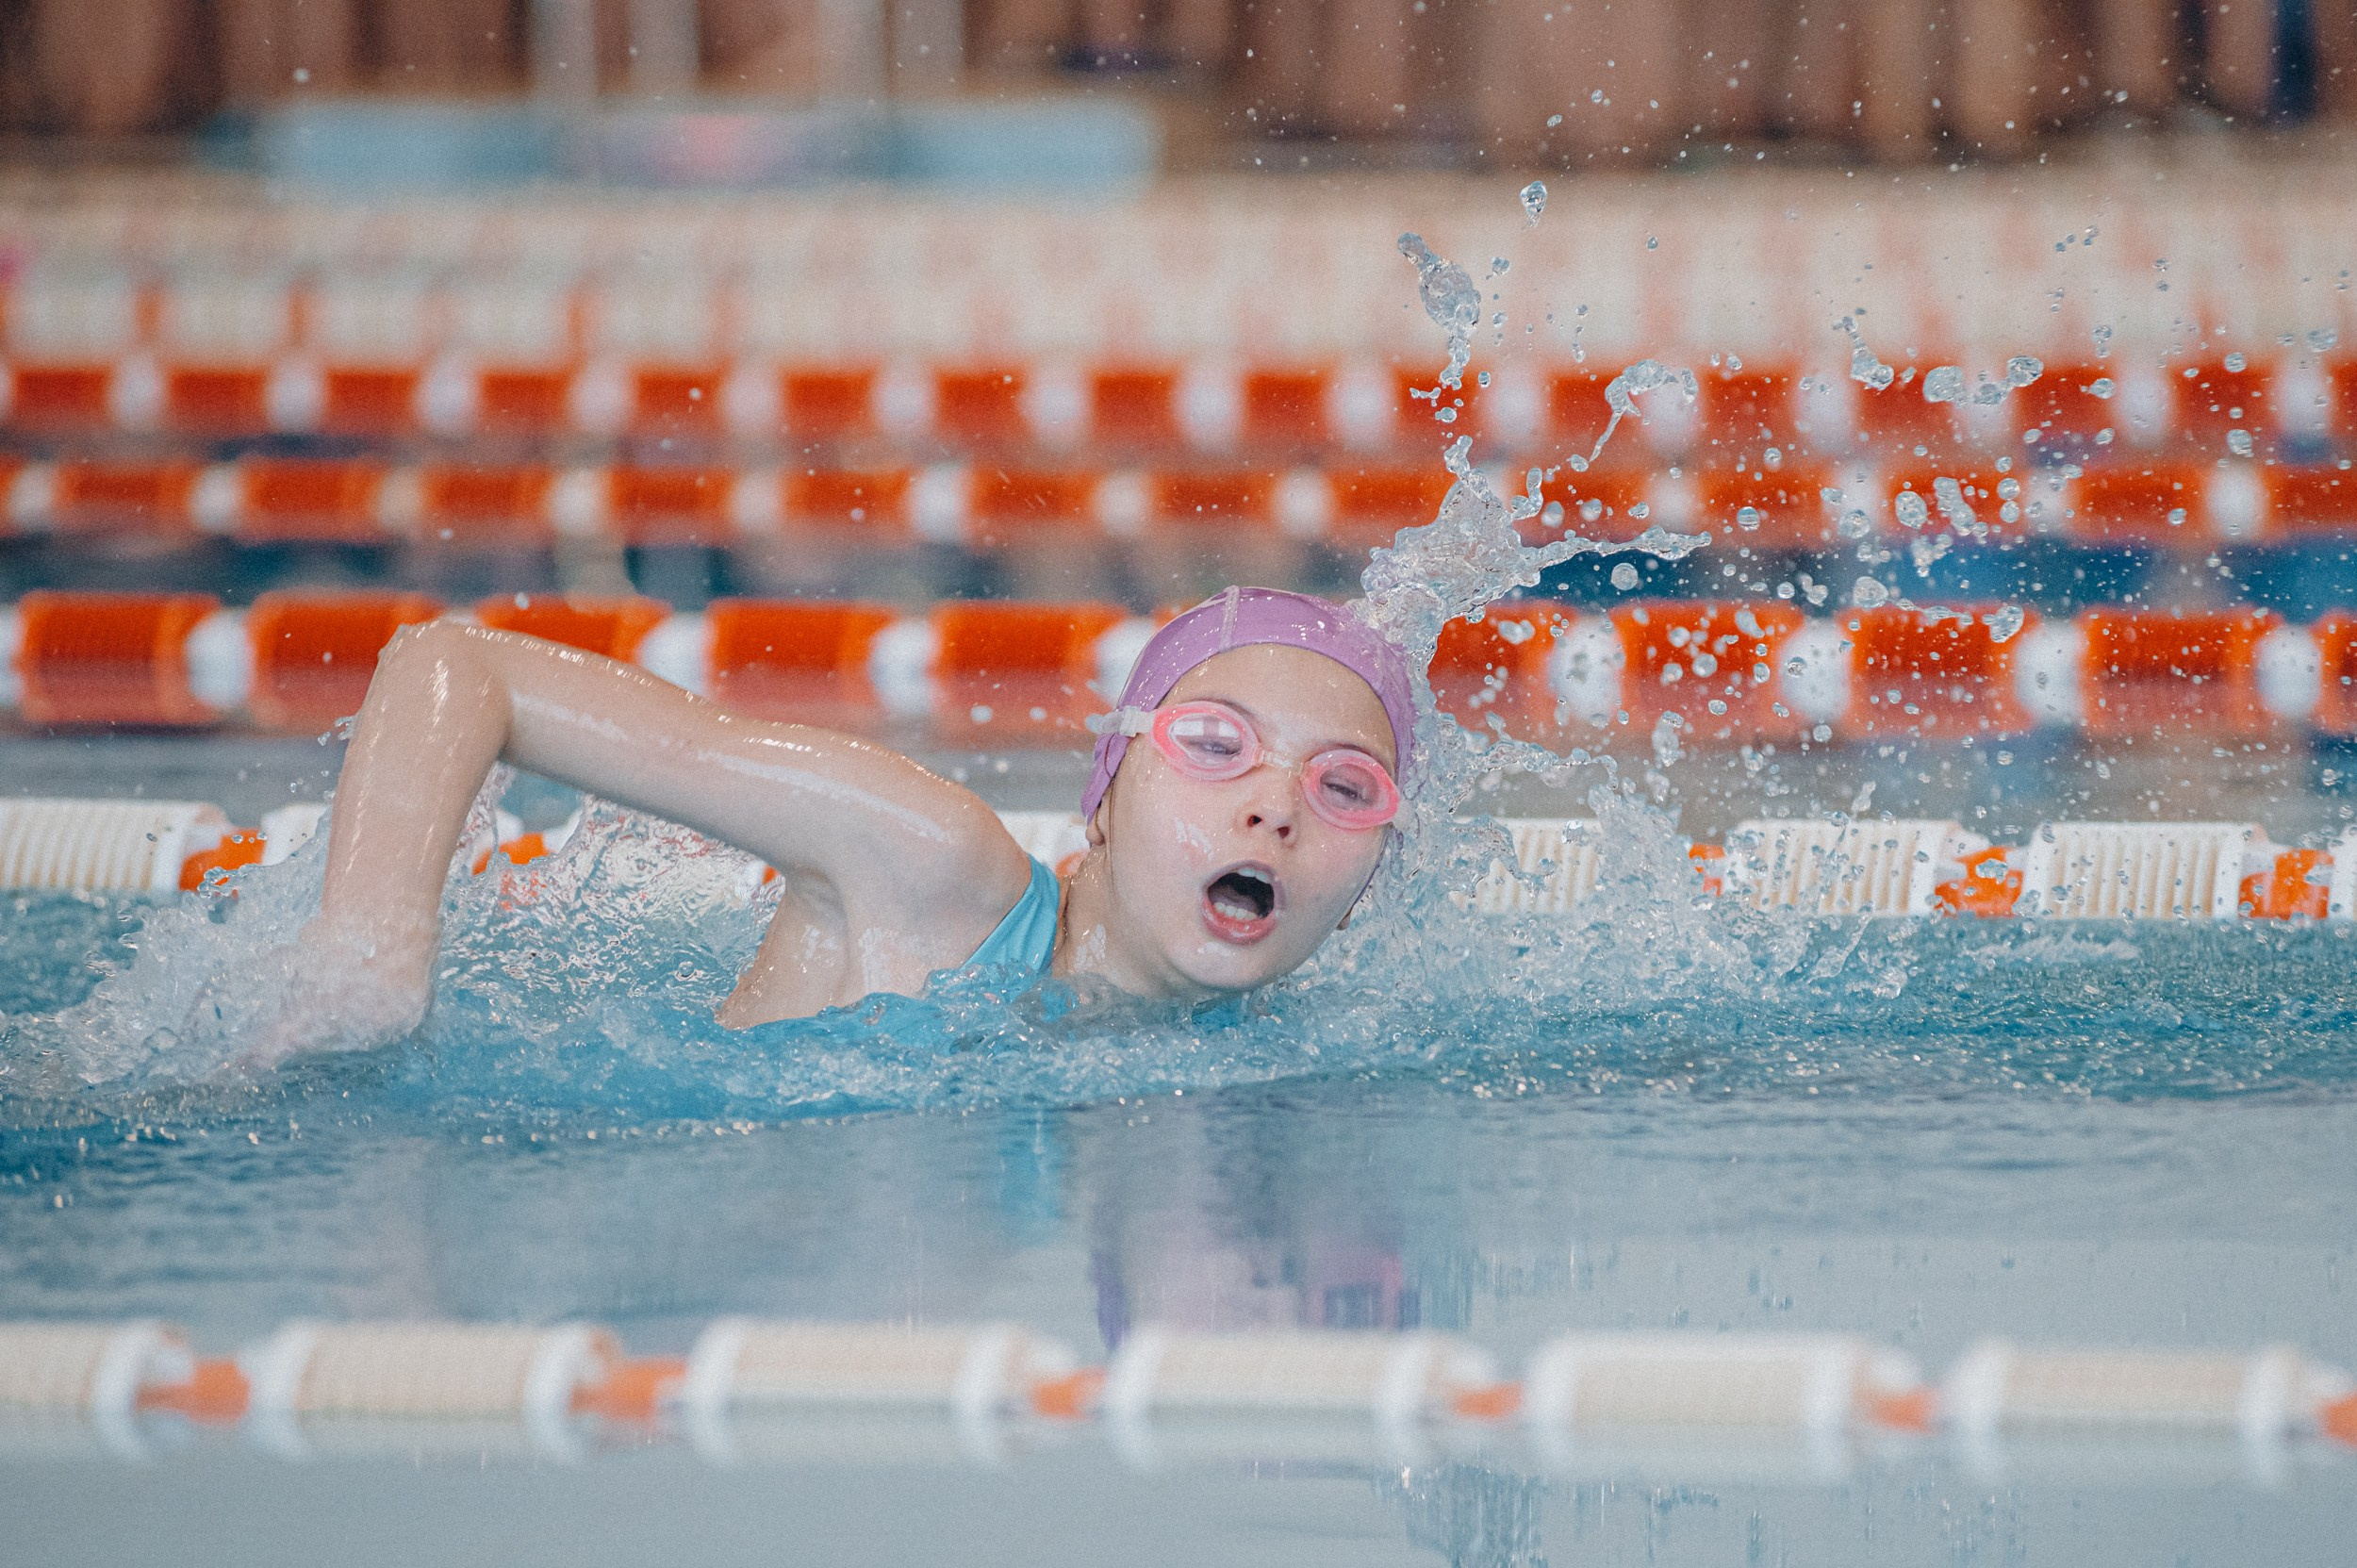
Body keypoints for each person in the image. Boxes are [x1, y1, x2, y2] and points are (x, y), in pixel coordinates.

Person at [287, 586, 1418, 1048]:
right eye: (1216, 746)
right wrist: (367, 964)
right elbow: (454, 662)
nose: (1275, 807)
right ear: (1104, 800)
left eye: (1343, 788)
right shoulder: (935, 870)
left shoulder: (1265, 1053)